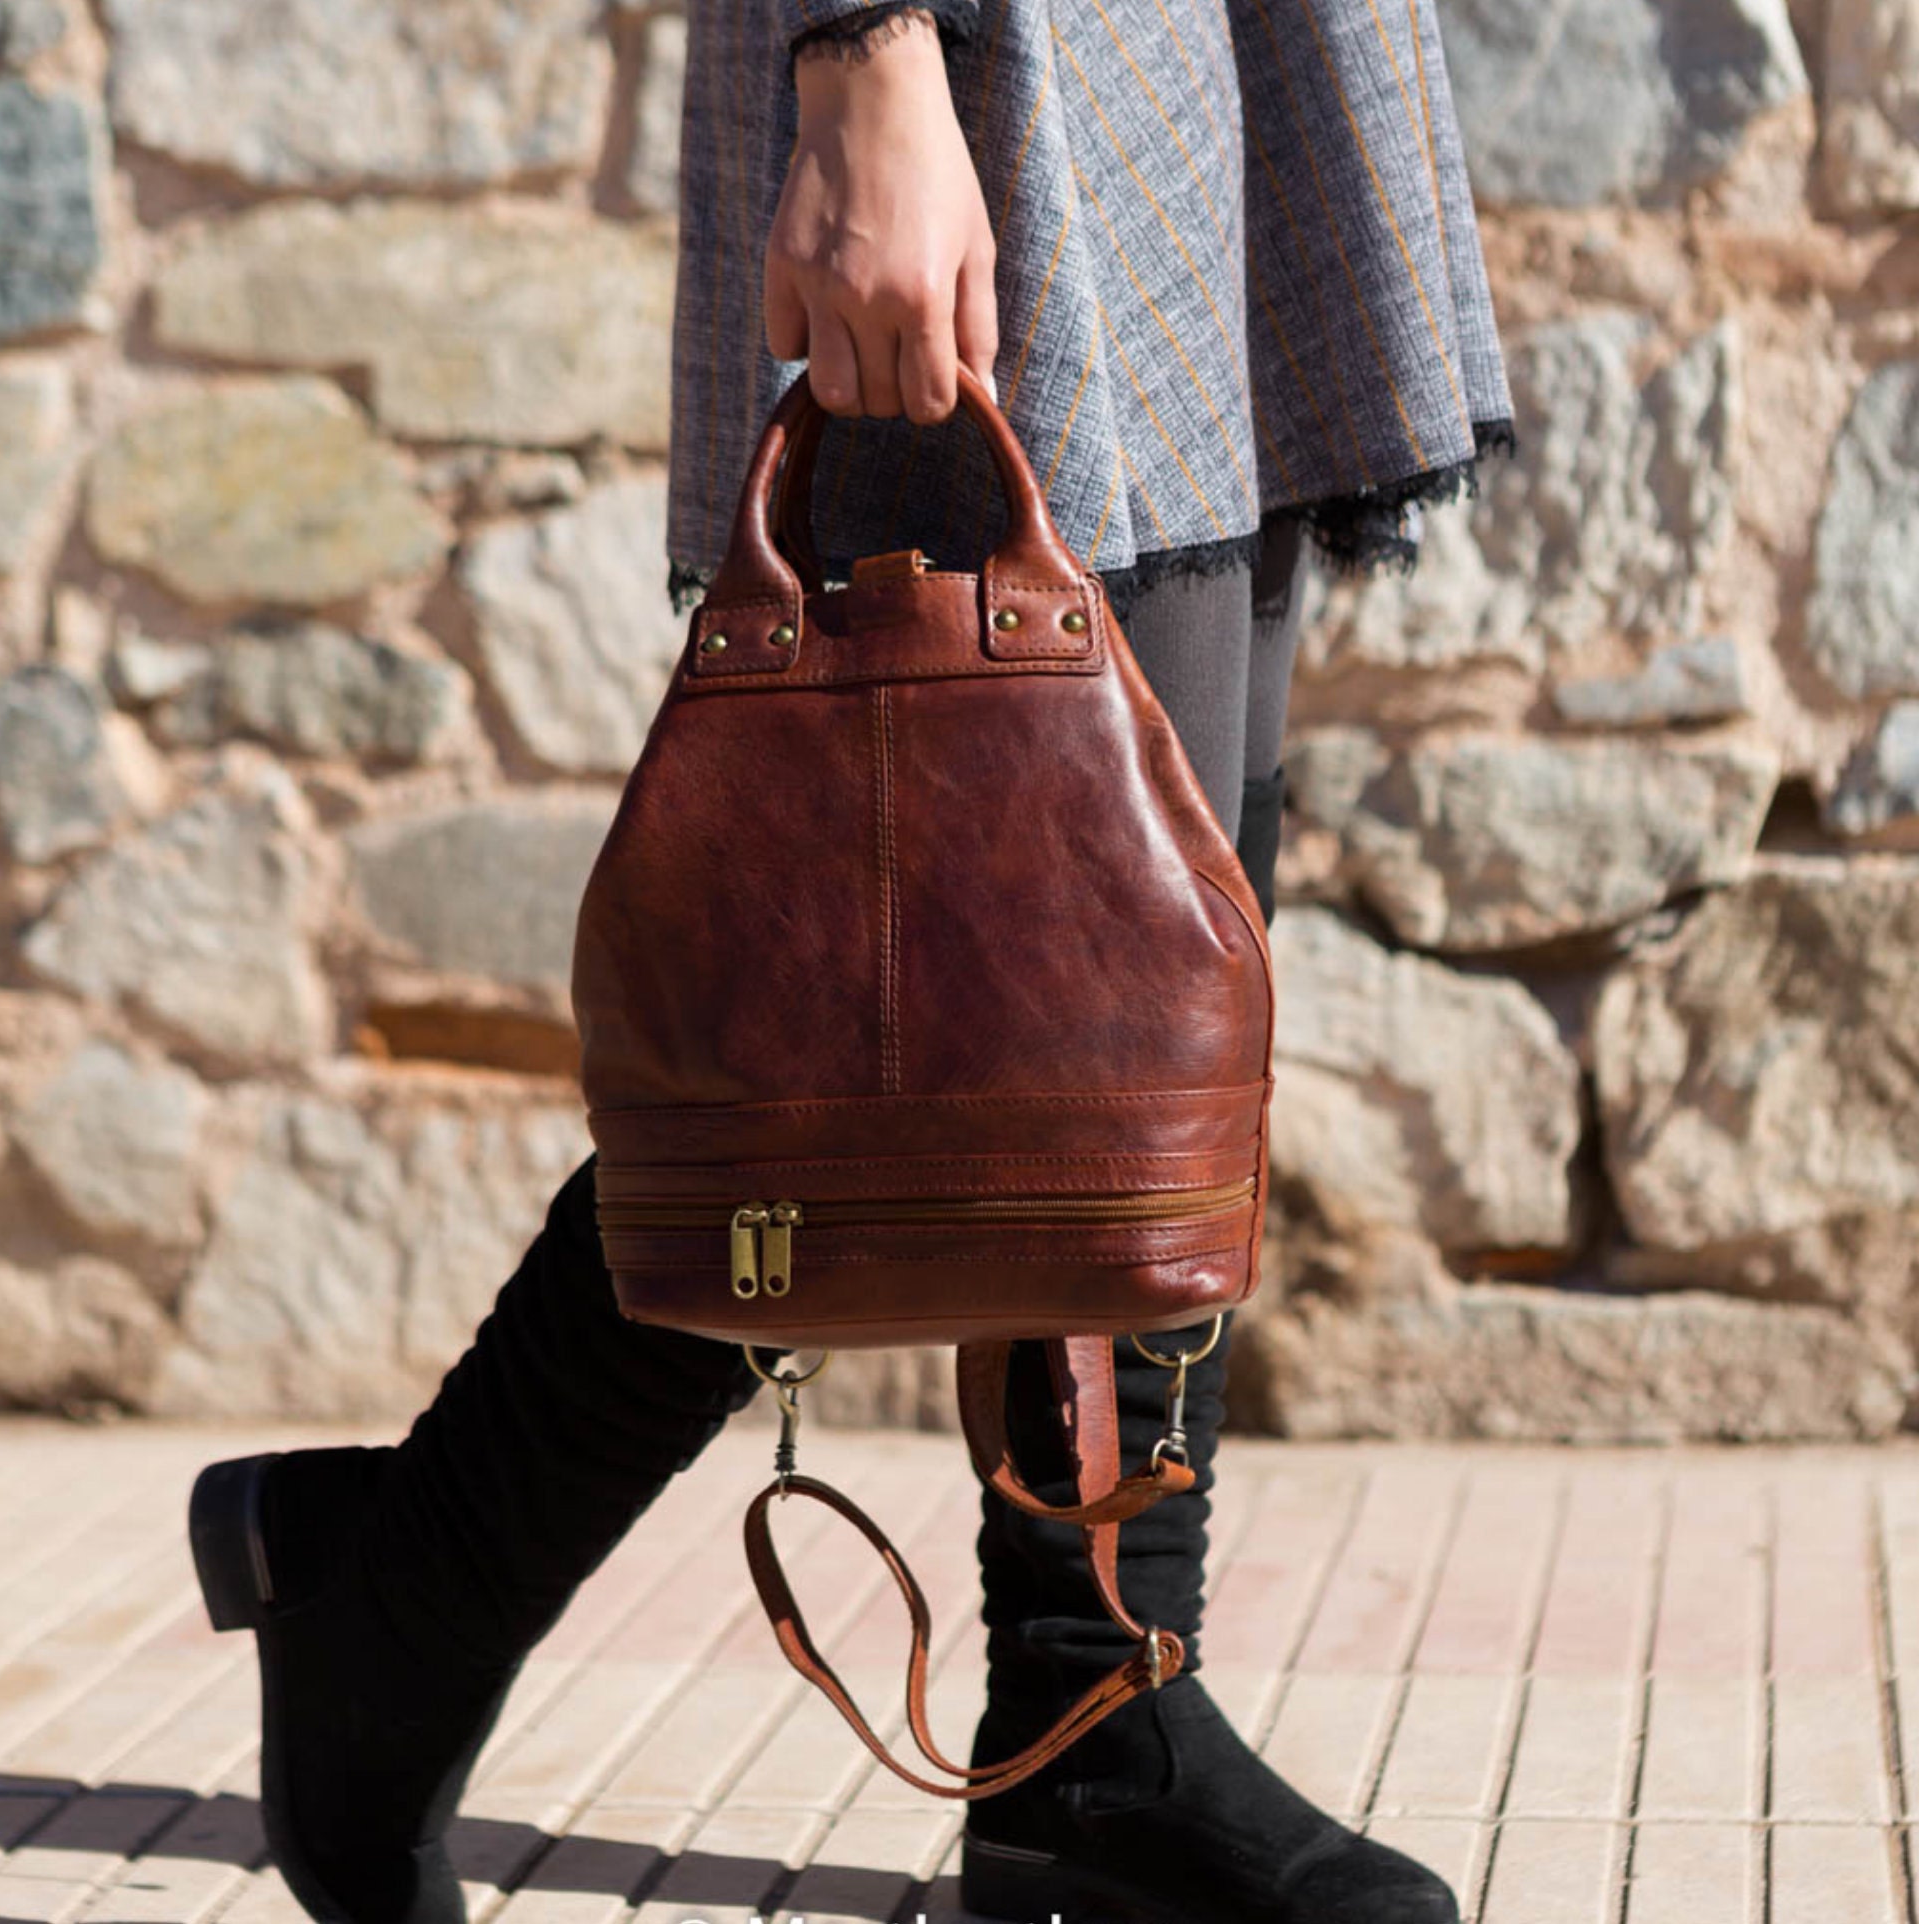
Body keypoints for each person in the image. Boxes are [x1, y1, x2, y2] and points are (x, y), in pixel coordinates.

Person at [188, 5, 1514, 1921]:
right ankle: (406, 1603)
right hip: (995, 55)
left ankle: (1084, 1726)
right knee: (1000, 999)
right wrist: (863, 63)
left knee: (1137, 969)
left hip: (1210, 56)